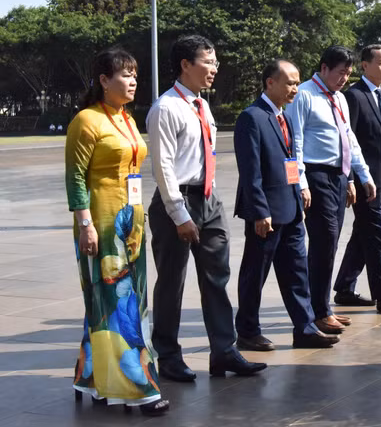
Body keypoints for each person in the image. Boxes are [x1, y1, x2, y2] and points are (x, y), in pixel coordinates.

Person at [146, 35, 266, 380]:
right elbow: (163, 167)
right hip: (177, 202)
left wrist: (209, 199)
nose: (214, 69)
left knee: (217, 277)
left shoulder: (201, 104)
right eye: (208, 62)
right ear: (186, 65)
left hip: (209, 199)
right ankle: (168, 356)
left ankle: (224, 351)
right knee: (172, 281)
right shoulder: (166, 108)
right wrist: (178, 213)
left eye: (215, 62)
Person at [65, 47, 169, 416]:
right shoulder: (86, 120)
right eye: (125, 75)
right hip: (102, 224)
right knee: (115, 301)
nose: (133, 81)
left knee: (121, 301)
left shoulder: (126, 119)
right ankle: (137, 386)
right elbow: (75, 178)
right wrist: (86, 225)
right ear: (104, 80)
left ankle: (92, 376)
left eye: (135, 75)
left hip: (132, 225)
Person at [233, 60, 340, 351]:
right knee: (255, 274)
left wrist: (298, 190)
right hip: (266, 214)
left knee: (297, 273)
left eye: (297, 83)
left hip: (291, 209)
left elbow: (291, 161)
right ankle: (248, 331)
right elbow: (250, 171)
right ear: (270, 83)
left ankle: (305, 329)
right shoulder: (252, 117)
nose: (295, 88)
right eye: (290, 83)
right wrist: (259, 211)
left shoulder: (285, 118)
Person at [285, 45, 376, 334]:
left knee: (331, 242)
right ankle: (318, 311)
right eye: (340, 73)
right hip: (315, 175)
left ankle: (321, 306)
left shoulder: (339, 98)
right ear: (324, 68)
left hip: (338, 176)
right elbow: (295, 141)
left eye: (348, 74)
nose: (344, 79)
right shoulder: (304, 95)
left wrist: (357, 176)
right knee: (324, 242)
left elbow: (348, 138)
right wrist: (301, 182)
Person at [333, 44, 381, 315]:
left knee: (363, 233)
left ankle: (344, 287)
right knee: (376, 234)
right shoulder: (354, 96)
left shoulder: (380, 94)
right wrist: (351, 180)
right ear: (365, 65)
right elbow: (347, 142)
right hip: (364, 182)